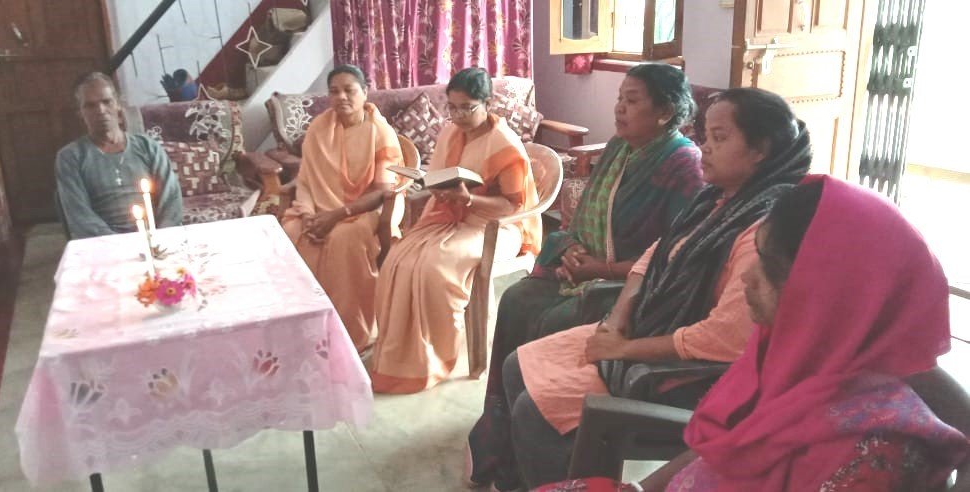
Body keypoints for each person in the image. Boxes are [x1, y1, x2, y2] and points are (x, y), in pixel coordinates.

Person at [560, 177, 970, 491]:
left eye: (771, 268)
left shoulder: (872, 459)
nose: (748, 279)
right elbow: (724, 447)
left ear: (834, 296)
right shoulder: (791, 357)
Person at [502, 87, 813, 489]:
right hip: (650, 330)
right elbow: (655, 255)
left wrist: (623, 349)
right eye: (705, 135)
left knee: (534, 413)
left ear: (760, 150)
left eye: (720, 138)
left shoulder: (762, 226)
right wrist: (616, 322)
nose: (705, 147)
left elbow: (725, 339)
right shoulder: (716, 200)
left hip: (689, 374)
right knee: (517, 364)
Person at [466, 63, 704, 489]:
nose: (619, 108)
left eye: (632, 100)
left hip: (629, 288)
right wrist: (572, 248)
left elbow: (671, 258)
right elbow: (584, 215)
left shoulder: (683, 165)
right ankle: (503, 441)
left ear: (665, 112)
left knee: (550, 321)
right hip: (587, 268)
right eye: (619, 98)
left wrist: (601, 268)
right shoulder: (618, 147)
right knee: (516, 300)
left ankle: (546, 440)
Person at [369, 67, 541, 394]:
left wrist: (469, 199)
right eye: (452, 107)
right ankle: (398, 355)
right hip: (453, 216)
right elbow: (441, 177)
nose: (458, 116)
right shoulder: (451, 132)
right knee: (398, 260)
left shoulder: (505, 144)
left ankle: (434, 356)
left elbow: (511, 206)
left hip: (497, 227)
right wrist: (437, 188)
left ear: (488, 103)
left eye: (467, 108)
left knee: (434, 268)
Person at [281, 64, 404, 352]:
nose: (341, 97)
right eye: (334, 92)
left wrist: (337, 215)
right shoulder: (319, 128)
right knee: (292, 232)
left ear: (365, 93)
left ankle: (350, 335)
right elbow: (307, 180)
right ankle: (307, 329)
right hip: (320, 207)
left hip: (370, 209)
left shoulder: (379, 131)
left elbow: (382, 190)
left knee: (343, 239)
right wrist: (309, 215)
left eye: (349, 90)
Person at [55, 72, 183, 239]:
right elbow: (79, 216)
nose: (101, 110)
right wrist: (118, 244)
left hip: (156, 239)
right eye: (90, 105)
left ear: (118, 104)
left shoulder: (147, 147)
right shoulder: (71, 157)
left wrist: (160, 238)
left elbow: (171, 199)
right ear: (80, 112)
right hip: (103, 244)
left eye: (106, 102)